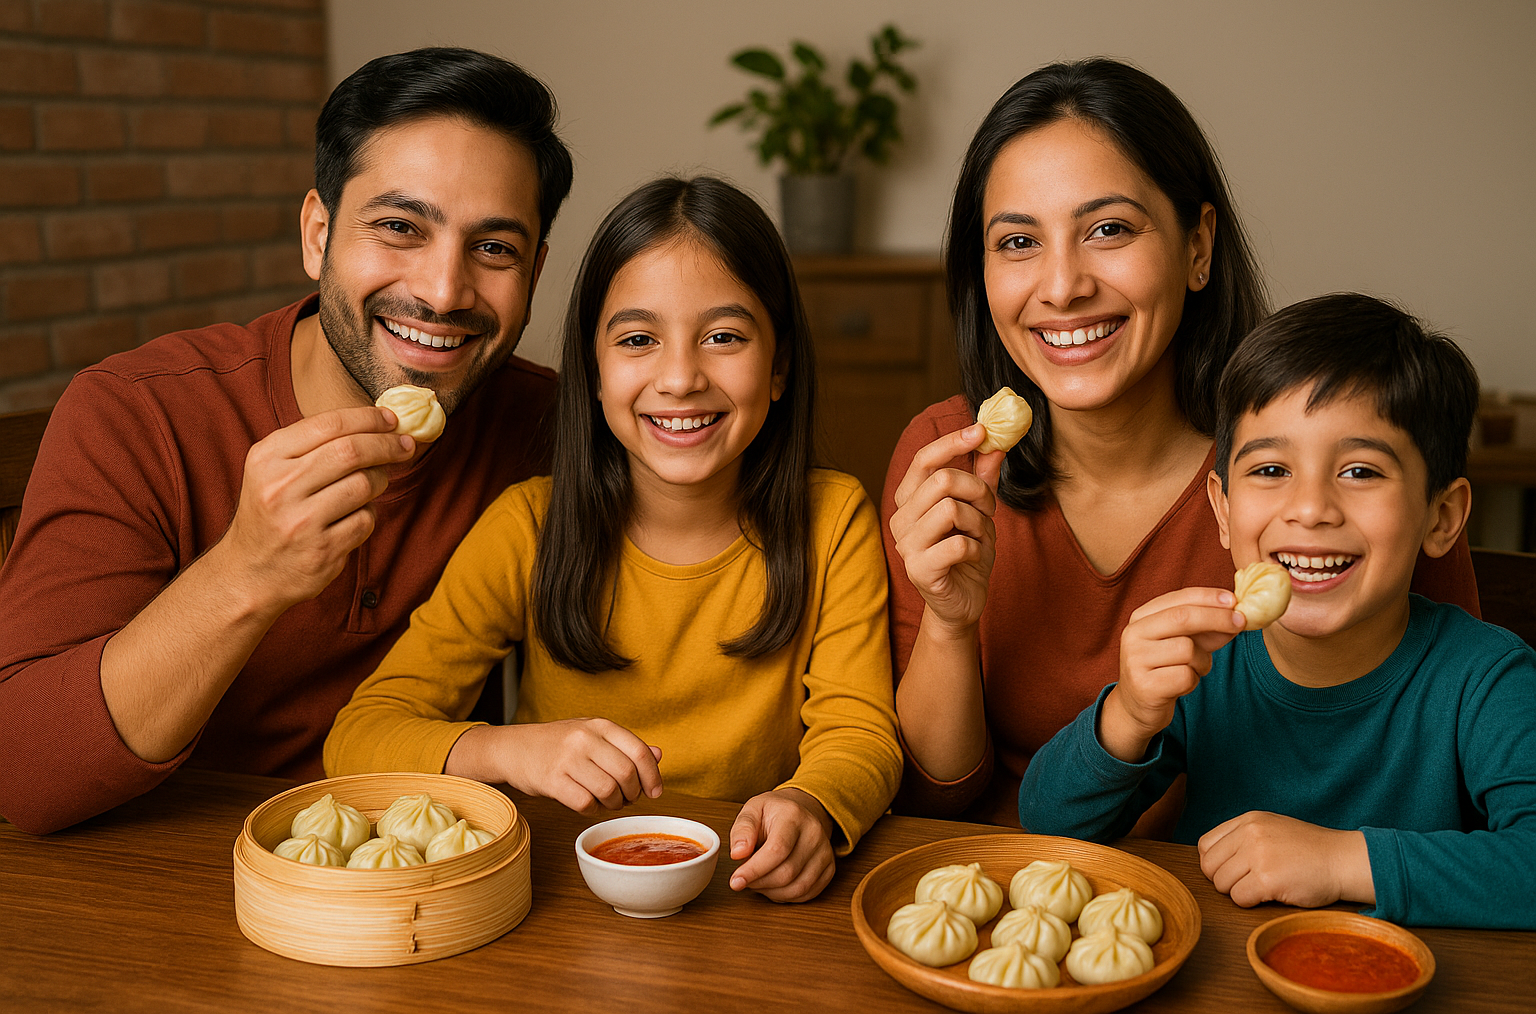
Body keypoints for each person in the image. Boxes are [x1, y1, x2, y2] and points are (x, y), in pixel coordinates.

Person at [881, 58, 1480, 827]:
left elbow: (1448, 746)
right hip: (1006, 888)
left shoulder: (1326, 468)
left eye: (1109, 230)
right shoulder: (946, 458)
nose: (1062, 286)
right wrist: (950, 622)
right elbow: (937, 798)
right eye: (1018, 242)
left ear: (1198, 247)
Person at [0, 47, 574, 835]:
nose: (444, 291)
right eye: (400, 227)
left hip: (438, 892)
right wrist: (246, 573)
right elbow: (22, 775)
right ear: (318, 234)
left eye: (494, 248)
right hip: (160, 886)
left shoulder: (553, 429)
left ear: (535, 274)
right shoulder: (136, 415)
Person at [325, 176, 901, 903]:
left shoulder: (834, 519)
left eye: (724, 337)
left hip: (745, 892)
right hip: (555, 894)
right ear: (594, 373)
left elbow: (860, 731)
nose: (682, 377)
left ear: (779, 365)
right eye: (637, 340)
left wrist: (813, 805)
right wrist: (507, 751)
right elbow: (359, 738)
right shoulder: (527, 527)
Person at [1018, 294, 1536, 929]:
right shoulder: (1207, 667)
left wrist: (1342, 862)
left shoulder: (1488, 679)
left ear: (1442, 516)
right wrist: (1129, 713)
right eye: (1270, 468)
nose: (1310, 507)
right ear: (1224, 511)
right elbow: (1047, 826)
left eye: (1361, 471)